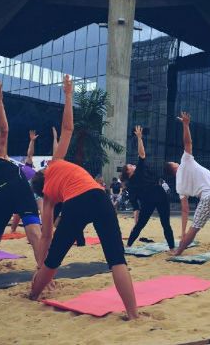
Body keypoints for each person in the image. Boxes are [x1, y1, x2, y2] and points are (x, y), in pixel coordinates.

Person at [28, 75, 137, 320]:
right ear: (44, 173)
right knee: (116, 259)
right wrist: (68, 95)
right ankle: (133, 314)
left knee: (54, 259)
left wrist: (39, 267)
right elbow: (68, 128)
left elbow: (46, 236)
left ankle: (33, 294)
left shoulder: (48, 199)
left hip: (76, 203)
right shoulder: (55, 164)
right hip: (99, 197)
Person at [0, 80, 44, 272]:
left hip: (2, 196)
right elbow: (4, 130)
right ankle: (42, 272)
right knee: (34, 233)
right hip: (20, 189)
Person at [163, 112, 210, 256]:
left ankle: (178, 251)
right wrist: (185, 125)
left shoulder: (179, 186)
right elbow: (188, 143)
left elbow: (185, 209)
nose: (176, 161)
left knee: (195, 227)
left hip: (207, 197)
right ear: (173, 167)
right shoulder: (185, 162)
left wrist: (183, 230)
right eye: (174, 162)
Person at [121, 125, 175, 250]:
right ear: (129, 172)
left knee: (162, 224)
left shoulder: (132, 181)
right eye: (130, 166)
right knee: (151, 224)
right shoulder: (136, 176)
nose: (132, 165)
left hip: (158, 196)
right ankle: (128, 245)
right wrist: (139, 138)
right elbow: (142, 154)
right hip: (152, 199)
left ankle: (129, 245)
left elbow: (135, 206)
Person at [11, 130, 42, 233]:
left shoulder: (29, 168)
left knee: (41, 207)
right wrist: (32, 141)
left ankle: (13, 229)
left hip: (34, 186)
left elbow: (30, 154)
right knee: (20, 209)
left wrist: (32, 141)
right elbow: (29, 154)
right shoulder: (24, 167)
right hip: (27, 186)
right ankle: (13, 230)